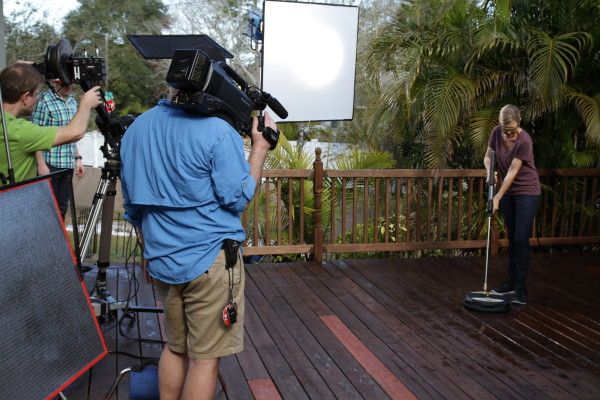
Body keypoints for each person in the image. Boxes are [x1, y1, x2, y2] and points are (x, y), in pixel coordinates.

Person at [119, 94, 275, 400]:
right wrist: (260, 148)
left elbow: (133, 205)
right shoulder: (218, 131)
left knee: (175, 347)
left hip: (162, 260)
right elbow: (238, 198)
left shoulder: (137, 128)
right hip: (210, 261)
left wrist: (147, 251)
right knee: (204, 359)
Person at [0, 62, 102, 183]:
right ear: (26, 97)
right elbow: (75, 133)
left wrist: (39, 66)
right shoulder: (19, 131)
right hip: (19, 194)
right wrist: (86, 104)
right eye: (36, 94)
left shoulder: (7, 125)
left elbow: (9, 76)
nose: (37, 98)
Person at [485, 104, 541, 305]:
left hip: (527, 192)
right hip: (508, 193)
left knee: (520, 239)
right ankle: (511, 282)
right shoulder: (496, 133)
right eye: (505, 130)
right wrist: (490, 172)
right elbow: (488, 156)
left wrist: (497, 197)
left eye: (511, 130)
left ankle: (520, 288)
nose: (508, 135)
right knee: (512, 238)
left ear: (519, 122)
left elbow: (512, 171)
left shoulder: (525, 140)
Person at [32, 79, 84, 218]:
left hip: (67, 164)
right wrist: (41, 165)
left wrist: (78, 158)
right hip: (50, 164)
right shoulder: (44, 101)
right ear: (54, 83)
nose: (68, 87)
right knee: (46, 208)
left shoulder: (72, 101)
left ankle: (58, 232)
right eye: (64, 84)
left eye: (70, 84)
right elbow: (35, 136)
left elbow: (70, 134)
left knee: (62, 207)